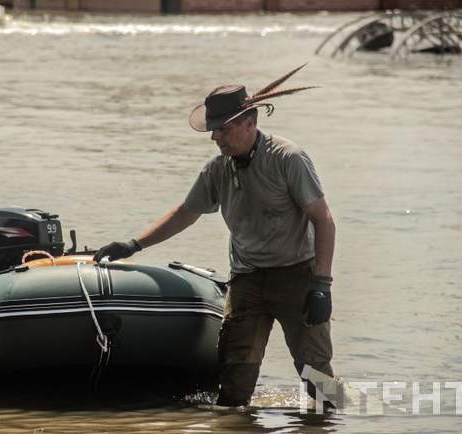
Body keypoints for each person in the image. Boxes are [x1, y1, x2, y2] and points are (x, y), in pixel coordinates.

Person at [93, 64, 336, 407]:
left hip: (297, 275)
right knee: (234, 381)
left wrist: (322, 284)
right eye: (212, 130)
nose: (214, 137)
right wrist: (133, 245)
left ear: (250, 123)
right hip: (247, 280)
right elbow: (184, 214)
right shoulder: (217, 169)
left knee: (317, 375)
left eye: (222, 129)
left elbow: (323, 220)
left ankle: (337, 423)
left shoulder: (287, 159)